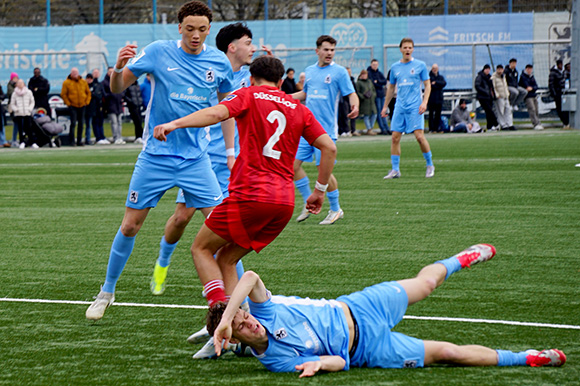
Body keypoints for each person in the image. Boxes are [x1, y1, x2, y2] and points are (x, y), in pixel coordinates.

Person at [153, 56, 336, 356]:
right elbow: (329, 147)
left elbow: (216, 113)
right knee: (226, 259)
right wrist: (318, 191)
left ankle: (221, 327)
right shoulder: (299, 108)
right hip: (283, 203)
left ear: (252, 79)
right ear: (281, 83)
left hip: (250, 195)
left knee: (200, 249)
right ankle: (242, 330)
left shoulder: (249, 94)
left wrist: (175, 123)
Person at [85, 0, 236, 321]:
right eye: (190, 29)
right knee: (130, 225)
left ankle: (242, 301)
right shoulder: (157, 51)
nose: (196, 35)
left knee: (225, 228)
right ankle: (107, 291)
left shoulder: (219, 63)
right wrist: (116, 67)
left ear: (209, 30)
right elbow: (117, 87)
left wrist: (229, 151)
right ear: (179, 28)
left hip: (197, 160)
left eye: (202, 30)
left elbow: (227, 111)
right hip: (156, 157)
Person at [209, 244, 567, 377]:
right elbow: (340, 363)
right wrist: (320, 364)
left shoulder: (265, 311)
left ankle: (462, 259)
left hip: (359, 308)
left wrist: (228, 317)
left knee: (425, 285)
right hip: (366, 351)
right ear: (237, 340)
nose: (250, 322)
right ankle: (526, 358)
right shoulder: (272, 360)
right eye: (243, 326)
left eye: (244, 315)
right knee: (447, 353)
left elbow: (251, 275)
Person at [149, 22, 257, 302]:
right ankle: (162, 263)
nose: (252, 48)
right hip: (203, 160)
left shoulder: (250, 79)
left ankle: (232, 299)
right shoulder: (206, 75)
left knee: (227, 230)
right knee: (181, 218)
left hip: (233, 166)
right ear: (232, 47)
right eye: (248, 42)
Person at [292, 35, 359, 225]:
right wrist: (286, 97)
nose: (329, 53)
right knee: (292, 166)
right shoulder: (310, 71)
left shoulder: (339, 72)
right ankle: (308, 202)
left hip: (325, 131)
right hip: (306, 129)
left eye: (332, 50)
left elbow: (351, 93)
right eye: (326, 49)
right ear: (317, 51)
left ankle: (336, 209)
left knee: (324, 171)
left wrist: (355, 105)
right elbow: (306, 93)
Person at [381, 37, 434, 179]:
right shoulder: (395, 68)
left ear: (413, 49)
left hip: (415, 106)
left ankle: (429, 165)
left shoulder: (420, 65)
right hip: (400, 106)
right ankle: (395, 170)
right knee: (394, 138)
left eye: (410, 47)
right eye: (405, 47)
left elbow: (428, 85)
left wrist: (424, 102)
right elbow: (391, 87)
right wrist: (385, 106)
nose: (407, 50)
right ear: (400, 49)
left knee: (419, 137)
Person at [61, 67, 91, 146]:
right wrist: (68, 103)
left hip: (82, 105)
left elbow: (88, 93)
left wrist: (86, 102)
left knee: (81, 124)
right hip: (73, 106)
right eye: (73, 73)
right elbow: (63, 94)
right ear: (71, 73)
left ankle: (79, 140)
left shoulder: (83, 82)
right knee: (73, 123)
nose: (75, 74)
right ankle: (72, 141)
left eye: (76, 73)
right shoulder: (66, 82)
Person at [102, 67, 126, 145]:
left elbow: (123, 89)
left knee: (119, 122)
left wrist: (121, 95)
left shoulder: (118, 80)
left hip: (118, 105)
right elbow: (104, 94)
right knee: (114, 122)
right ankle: (115, 137)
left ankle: (120, 137)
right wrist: (111, 95)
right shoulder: (105, 83)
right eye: (110, 72)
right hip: (111, 105)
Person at [9, 79, 36, 148]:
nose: (20, 84)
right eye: (19, 83)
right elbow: (12, 103)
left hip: (27, 113)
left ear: (24, 84)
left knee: (29, 128)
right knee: (20, 129)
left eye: (21, 83)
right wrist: (16, 110)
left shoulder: (28, 92)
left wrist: (29, 109)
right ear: (16, 84)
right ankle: (22, 142)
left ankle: (32, 142)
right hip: (19, 114)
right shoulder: (14, 93)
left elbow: (32, 102)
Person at [367, 59, 390, 135]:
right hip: (375, 95)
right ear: (371, 65)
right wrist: (378, 83)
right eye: (373, 65)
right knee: (379, 112)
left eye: (376, 65)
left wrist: (378, 82)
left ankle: (387, 128)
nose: (375, 66)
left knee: (384, 111)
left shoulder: (379, 73)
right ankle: (383, 129)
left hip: (381, 95)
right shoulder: (369, 73)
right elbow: (373, 83)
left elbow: (384, 81)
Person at [518, 64, 543, 130]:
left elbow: (536, 86)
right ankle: (535, 123)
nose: (529, 70)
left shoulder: (532, 76)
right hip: (528, 96)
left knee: (536, 110)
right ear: (526, 69)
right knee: (532, 109)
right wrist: (532, 88)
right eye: (528, 69)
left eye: (531, 69)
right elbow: (526, 86)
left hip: (534, 95)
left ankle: (538, 122)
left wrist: (532, 88)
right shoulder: (523, 77)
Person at [474, 64, 498, 132]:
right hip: (482, 97)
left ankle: (490, 126)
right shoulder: (479, 77)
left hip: (489, 97)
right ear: (484, 69)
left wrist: (494, 95)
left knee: (488, 112)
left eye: (488, 69)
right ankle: (496, 123)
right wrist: (485, 92)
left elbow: (492, 87)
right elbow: (477, 86)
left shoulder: (489, 77)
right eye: (486, 69)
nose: (487, 71)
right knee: (489, 111)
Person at [491, 65, 515, 131]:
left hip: (505, 96)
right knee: (500, 111)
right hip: (499, 97)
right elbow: (493, 87)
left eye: (501, 69)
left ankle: (510, 124)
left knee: (508, 110)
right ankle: (503, 125)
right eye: (498, 69)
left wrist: (507, 93)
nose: (500, 71)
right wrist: (497, 95)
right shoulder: (494, 77)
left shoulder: (503, 76)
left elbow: (505, 86)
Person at [549, 59, 569, 129]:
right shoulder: (553, 73)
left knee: (566, 108)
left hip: (565, 92)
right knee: (560, 108)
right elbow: (551, 84)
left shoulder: (564, 72)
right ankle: (565, 122)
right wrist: (554, 94)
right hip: (558, 93)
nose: (560, 66)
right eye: (559, 65)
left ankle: (567, 122)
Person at [355, 69, 377, 136]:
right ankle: (369, 129)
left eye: (365, 74)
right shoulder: (359, 83)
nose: (364, 76)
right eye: (363, 74)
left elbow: (373, 90)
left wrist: (373, 95)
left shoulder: (369, 82)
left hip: (371, 102)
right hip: (364, 102)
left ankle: (370, 128)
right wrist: (363, 96)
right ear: (361, 75)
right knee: (366, 115)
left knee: (374, 114)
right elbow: (357, 92)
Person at [91, 68, 109, 145]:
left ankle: (102, 136)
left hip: (100, 106)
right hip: (93, 106)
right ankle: (98, 137)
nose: (96, 74)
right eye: (94, 72)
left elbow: (103, 94)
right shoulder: (91, 84)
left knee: (100, 122)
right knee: (95, 122)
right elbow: (92, 94)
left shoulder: (100, 84)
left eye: (97, 72)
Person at [427, 63, 446, 133]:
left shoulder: (440, 77)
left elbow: (443, 83)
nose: (434, 70)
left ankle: (437, 128)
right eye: (433, 68)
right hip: (431, 99)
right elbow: (431, 85)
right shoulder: (429, 77)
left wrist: (436, 83)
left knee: (438, 114)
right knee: (431, 114)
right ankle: (431, 129)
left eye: (436, 68)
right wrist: (437, 85)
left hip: (439, 99)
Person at [7, 72, 20, 146]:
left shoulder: (18, 85)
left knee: (19, 124)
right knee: (15, 123)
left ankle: (17, 139)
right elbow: (11, 94)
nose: (16, 79)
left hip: (19, 107)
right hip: (13, 107)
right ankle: (14, 139)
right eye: (15, 78)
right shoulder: (10, 85)